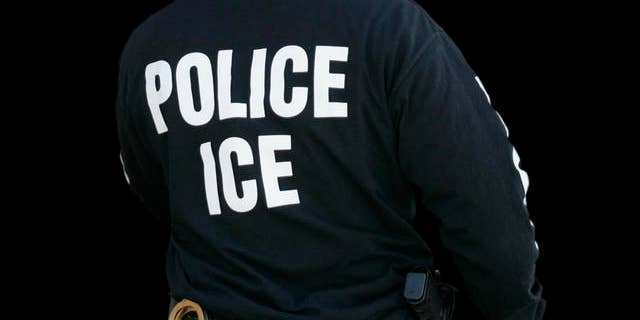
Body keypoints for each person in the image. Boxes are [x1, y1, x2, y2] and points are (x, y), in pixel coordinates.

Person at [116, 0, 546, 319]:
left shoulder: (151, 47)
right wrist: (518, 311)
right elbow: (492, 218)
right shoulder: (390, 28)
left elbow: (160, 193)